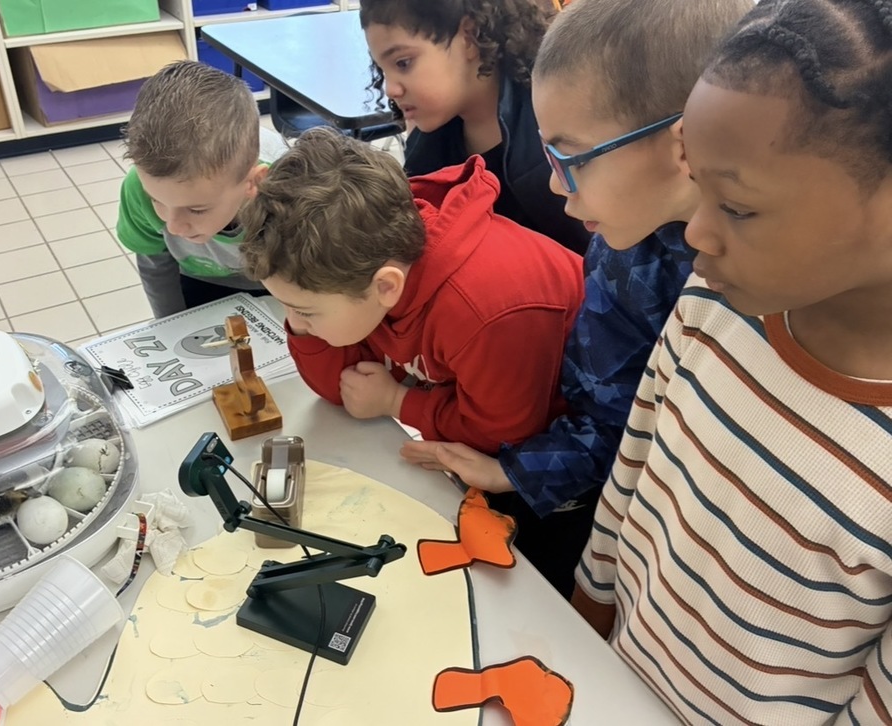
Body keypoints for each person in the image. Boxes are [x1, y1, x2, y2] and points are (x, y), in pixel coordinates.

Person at [572, 0, 892, 722]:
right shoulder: (713, 298)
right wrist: (584, 611)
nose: (696, 233)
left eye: (738, 207)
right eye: (700, 190)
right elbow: (635, 467)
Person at [402, 0, 752, 598]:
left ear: (684, 145)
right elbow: (605, 414)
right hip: (635, 549)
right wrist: (509, 470)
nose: (556, 184)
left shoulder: (766, 279)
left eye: (570, 157)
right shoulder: (622, 250)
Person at [239, 127, 584, 454]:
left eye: (304, 311)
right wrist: (305, 323)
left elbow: (504, 438)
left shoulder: (484, 313)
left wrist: (397, 402)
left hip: (572, 449)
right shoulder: (363, 262)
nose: (295, 320)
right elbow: (344, 389)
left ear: (387, 287)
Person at [358, 0, 590, 255]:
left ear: (469, 37)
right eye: (382, 69)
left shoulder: (559, 124)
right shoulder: (429, 149)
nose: (390, 89)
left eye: (403, 63)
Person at [117, 61, 288, 318]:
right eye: (157, 201)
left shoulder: (288, 191)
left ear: (253, 183)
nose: (173, 227)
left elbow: (309, 281)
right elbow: (156, 266)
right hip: (200, 279)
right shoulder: (138, 187)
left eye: (196, 209)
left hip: (281, 280)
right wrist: (171, 325)